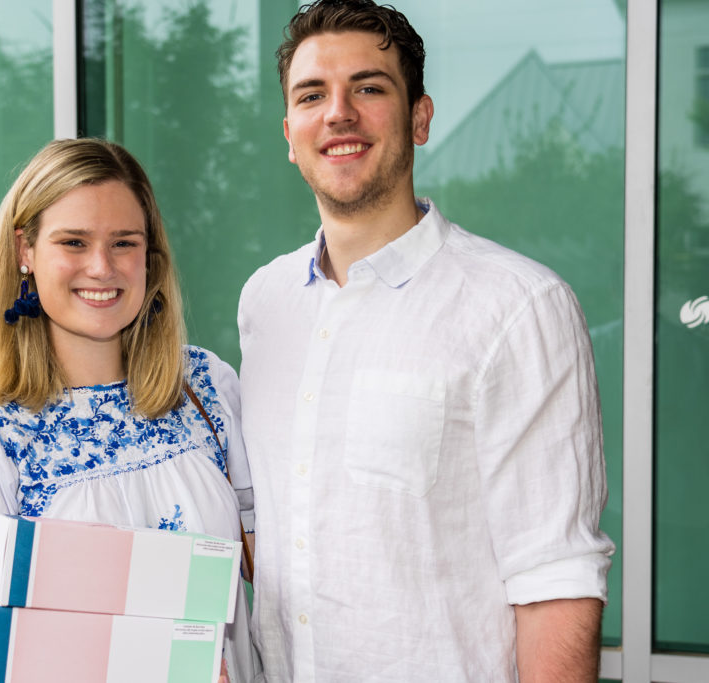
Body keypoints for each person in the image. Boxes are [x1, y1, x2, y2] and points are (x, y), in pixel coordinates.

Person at [237, 1, 615, 681]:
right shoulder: (264, 303)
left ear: (420, 117)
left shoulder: (519, 306)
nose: (339, 113)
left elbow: (556, 578)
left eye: (370, 88)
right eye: (312, 94)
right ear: (289, 133)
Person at [0, 138, 261, 682]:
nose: (101, 267)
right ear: (25, 250)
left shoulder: (204, 387)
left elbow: (273, 572)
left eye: (124, 243)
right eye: (73, 241)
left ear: (149, 254)